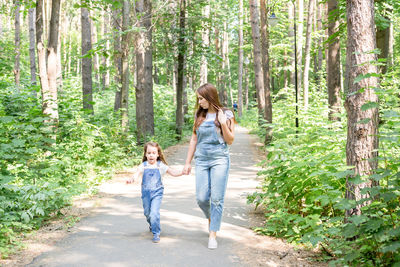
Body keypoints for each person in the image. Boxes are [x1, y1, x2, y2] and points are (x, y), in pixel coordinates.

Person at [183, 83, 235, 249]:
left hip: (220, 159)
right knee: (201, 198)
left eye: (201, 98)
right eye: (198, 99)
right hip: (202, 160)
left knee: (217, 198)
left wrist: (223, 123)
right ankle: (212, 218)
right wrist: (187, 162)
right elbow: (194, 139)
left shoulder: (226, 114)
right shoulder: (200, 115)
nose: (199, 102)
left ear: (210, 97)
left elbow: (230, 140)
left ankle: (213, 234)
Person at [127, 141, 183, 243]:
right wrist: (132, 179)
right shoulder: (143, 165)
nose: (151, 155)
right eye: (149, 153)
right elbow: (136, 174)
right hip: (146, 193)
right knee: (147, 213)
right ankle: (152, 224)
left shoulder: (160, 165)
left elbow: (173, 172)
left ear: (158, 154)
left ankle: (156, 232)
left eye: (153, 153)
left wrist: (182, 172)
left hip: (157, 192)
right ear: (145, 154)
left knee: (154, 213)